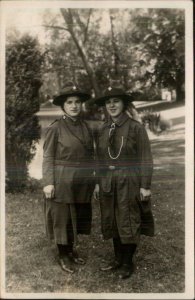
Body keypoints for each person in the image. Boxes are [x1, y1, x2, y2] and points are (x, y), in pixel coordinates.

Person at [94, 87, 154, 279]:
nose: (111, 105)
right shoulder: (103, 129)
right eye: (108, 102)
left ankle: (127, 262)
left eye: (116, 101)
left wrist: (145, 186)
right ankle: (118, 258)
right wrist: (97, 182)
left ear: (124, 103)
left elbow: (146, 158)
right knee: (112, 218)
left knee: (127, 219)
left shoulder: (136, 128)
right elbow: (99, 159)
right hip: (107, 181)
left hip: (129, 180)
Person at [42, 84, 95, 273]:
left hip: (82, 179)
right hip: (62, 178)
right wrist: (48, 182)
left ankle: (71, 251)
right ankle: (63, 255)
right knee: (62, 217)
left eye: (77, 102)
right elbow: (48, 156)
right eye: (69, 102)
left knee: (76, 216)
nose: (74, 105)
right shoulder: (55, 128)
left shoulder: (85, 127)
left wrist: (93, 180)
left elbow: (91, 155)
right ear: (63, 106)